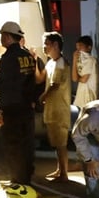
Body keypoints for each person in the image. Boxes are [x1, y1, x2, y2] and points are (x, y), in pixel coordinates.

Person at [0, 21, 43, 185]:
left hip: (12, 109)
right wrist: (33, 101)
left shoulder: (7, 58)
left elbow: (4, 86)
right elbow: (36, 82)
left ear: (8, 37)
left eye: (2, 35)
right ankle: (27, 176)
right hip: (27, 107)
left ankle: (18, 179)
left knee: (13, 144)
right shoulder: (28, 56)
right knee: (27, 143)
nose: (1, 39)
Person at [40, 31, 72, 181]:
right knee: (57, 143)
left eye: (46, 44)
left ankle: (64, 173)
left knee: (61, 144)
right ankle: (60, 170)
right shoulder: (51, 62)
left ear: (55, 45)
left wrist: (43, 96)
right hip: (52, 110)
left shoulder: (61, 63)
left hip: (60, 110)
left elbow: (55, 85)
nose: (44, 47)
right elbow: (41, 78)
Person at [72, 35, 98, 110]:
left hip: (88, 96)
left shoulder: (91, 60)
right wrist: (74, 60)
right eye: (77, 47)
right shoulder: (79, 61)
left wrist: (78, 78)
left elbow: (84, 79)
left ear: (89, 47)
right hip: (80, 96)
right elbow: (74, 78)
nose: (78, 50)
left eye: (80, 46)